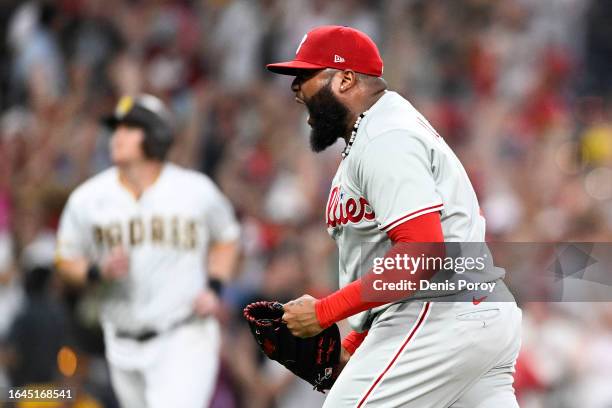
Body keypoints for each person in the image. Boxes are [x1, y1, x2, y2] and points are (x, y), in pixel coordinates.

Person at [268, 26, 522, 407]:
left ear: (346, 79)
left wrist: (323, 312)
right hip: (474, 315)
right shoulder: (380, 131)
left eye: (305, 76)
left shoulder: (385, 137)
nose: (296, 89)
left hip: (437, 315)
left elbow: (422, 253)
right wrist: (356, 341)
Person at [55, 94, 240, 408]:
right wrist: (96, 270)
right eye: (117, 129)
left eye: (129, 129)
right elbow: (65, 260)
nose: (117, 136)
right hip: (121, 342)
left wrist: (214, 287)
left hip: (184, 334)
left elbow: (227, 237)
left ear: (156, 136)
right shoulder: (88, 198)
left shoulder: (194, 190)